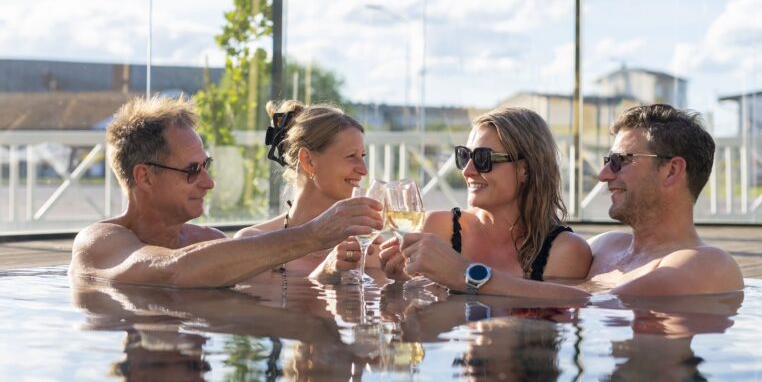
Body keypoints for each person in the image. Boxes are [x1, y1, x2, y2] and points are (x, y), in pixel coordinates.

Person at [391, 104, 744, 298]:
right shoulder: (602, 248)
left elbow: (599, 306)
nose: (604, 174)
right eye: (607, 161)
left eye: (620, 161)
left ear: (671, 171)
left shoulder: (708, 264)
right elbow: (539, 286)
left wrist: (466, 274)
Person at [69, 95, 382, 288]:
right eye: (192, 170)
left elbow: (270, 309)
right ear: (145, 178)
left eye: (207, 166)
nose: (209, 182)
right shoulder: (99, 242)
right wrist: (315, 234)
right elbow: (174, 271)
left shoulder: (211, 244)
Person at [380, 107, 592, 284]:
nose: (467, 171)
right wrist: (402, 283)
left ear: (525, 169)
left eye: (483, 158)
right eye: (464, 156)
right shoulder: (437, 231)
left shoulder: (565, 252)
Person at [233, 100, 384, 282]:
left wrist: (401, 278)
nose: (363, 170)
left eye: (363, 156)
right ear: (308, 161)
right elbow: (254, 310)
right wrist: (323, 274)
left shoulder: (368, 246)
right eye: (351, 156)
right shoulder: (253, 243)